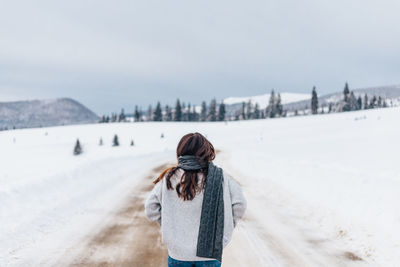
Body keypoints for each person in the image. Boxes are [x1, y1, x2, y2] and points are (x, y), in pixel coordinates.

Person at [145, 132, 247, 267]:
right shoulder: (220, 176)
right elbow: (240, 204)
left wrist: (169, 226)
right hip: (210, 254)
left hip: (178, 255)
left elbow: (150, 208)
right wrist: (222, 228)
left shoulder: (169, 178)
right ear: (206, 152)